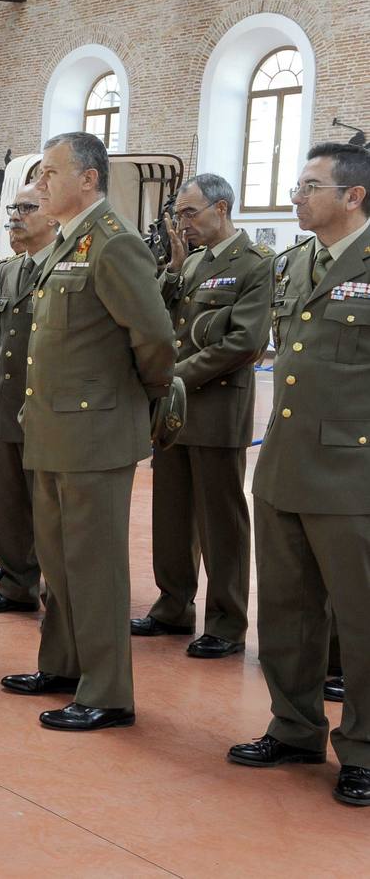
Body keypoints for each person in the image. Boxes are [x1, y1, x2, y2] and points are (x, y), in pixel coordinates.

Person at [0, 132, 174, 732]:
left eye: (51, 173)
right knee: (59, 559)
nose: (40, 184)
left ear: (89, 179)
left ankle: (108, 692)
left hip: (95, 432)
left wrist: (140, 400)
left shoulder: (113, 245)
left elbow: (154, 338)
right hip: (52, 429)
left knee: (94, 566)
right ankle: (63, 664)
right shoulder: (66, 245)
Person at [227, 143, 370, 807]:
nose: (295, 195)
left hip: (352, 470)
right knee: (286, 608)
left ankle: (364, 750)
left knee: (361, 616)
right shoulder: (296, 262)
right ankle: (295, 727)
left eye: (309, 185)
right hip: (283, 461)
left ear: (353, 196)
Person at [134, 173, 272, 657]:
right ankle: (173, 606)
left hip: (215, 408)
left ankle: (226, 622)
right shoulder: (190, 263)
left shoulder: (254, 264)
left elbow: (246, 342)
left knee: (221, 523)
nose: (183, 223)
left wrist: (175, 376)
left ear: (222, 208)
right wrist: (172, 269)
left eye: (190, 213)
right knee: (171, 514)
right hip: (175, 413)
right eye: (179, 215)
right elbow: (162, 314)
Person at [0, 185, 57, 614]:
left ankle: (53, 588)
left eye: (28, 207)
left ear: (54, 214)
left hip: (47, 405)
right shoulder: (4, 271)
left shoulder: (66, 267)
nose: (17, 216)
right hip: (5, 402)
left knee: (47, 503)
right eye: (14, 208)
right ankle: (16, 582)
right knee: (9, 499)